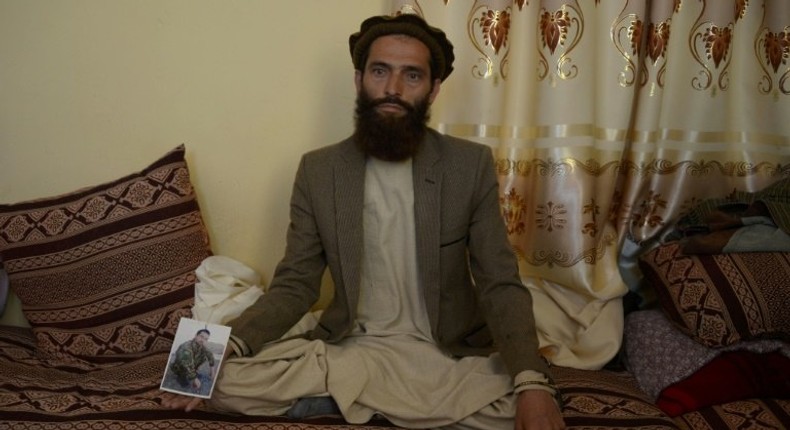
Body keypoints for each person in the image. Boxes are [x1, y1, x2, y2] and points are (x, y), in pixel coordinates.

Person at [163, 13, 565, 430]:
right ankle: (374, 400)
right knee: (220, 383)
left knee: (524, 398)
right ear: (359, 81)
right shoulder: (319, 171)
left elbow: (499, 281)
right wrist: (220, 352)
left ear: (433, 90)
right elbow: (295, 284)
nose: (393, 89)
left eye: (412, 76)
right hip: (351, 348)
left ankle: (343, 402)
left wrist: (531, 382)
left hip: (442, 353)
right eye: (380, 72)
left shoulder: (469, 165)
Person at [164, 329, 217, 396]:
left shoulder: (201, 346)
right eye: (201, 336)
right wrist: (195, 379)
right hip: (180, 368)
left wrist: (212, 371)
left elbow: (210, 355)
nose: (203, 340)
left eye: (206, 339)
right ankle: (181, 376)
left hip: (191, 368)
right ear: (196, 336)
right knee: (186, 385)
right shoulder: (186, 346)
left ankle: (192, 374)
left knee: (205, 354)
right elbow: (187, 363)